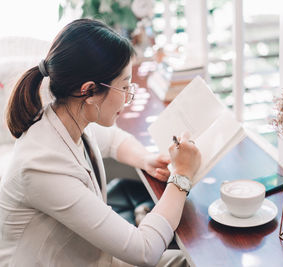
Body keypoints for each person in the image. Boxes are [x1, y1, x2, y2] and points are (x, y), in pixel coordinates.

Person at [0, 19, 201, 267]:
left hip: (86, 258)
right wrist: (181, 176)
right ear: (89, 91)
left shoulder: (66, 117)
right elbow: (145, 251)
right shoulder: (40, 166)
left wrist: (145, 159)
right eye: (125, 87)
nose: (128, 97)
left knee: (183, 259)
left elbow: (113, 139)